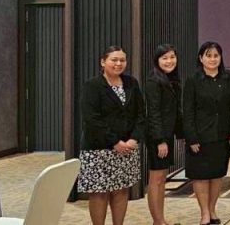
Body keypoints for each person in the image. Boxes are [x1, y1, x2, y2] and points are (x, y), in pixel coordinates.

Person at [77, 46, 145, 225]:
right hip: (99, 148)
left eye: (122, 60)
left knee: (121, 190)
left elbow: (140, 114)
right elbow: (92, 119)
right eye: (114, 60)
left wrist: (134, 138)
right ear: (103, 62)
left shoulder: (131, 83)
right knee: (99, 193)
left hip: (127, 147)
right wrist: (115, 142)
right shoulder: (92, 85)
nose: (118, 63)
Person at [184, 41, 230, 225]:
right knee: (200, 175)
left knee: (217, 174)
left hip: (221, 135)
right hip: (199, 136)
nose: (212, 59)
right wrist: (191, 137)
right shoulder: (193, 79)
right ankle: (204, 213)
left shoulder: (228, 77)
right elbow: (188, 111)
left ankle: (212, 209)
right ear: (201, 58)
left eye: (216, 56)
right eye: (208, 55)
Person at [143, 44, 183, 225]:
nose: (169, 61)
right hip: (157, 137)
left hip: (166, 135)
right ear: (157, 60)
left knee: (161, 179)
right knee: (156, 179)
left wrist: (179, 135)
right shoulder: (154, 81)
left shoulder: (171, 80)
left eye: (172, 57)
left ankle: (160, 220)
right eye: (164, 58)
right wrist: (160, 140)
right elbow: (153, 112)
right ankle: (158, 221)